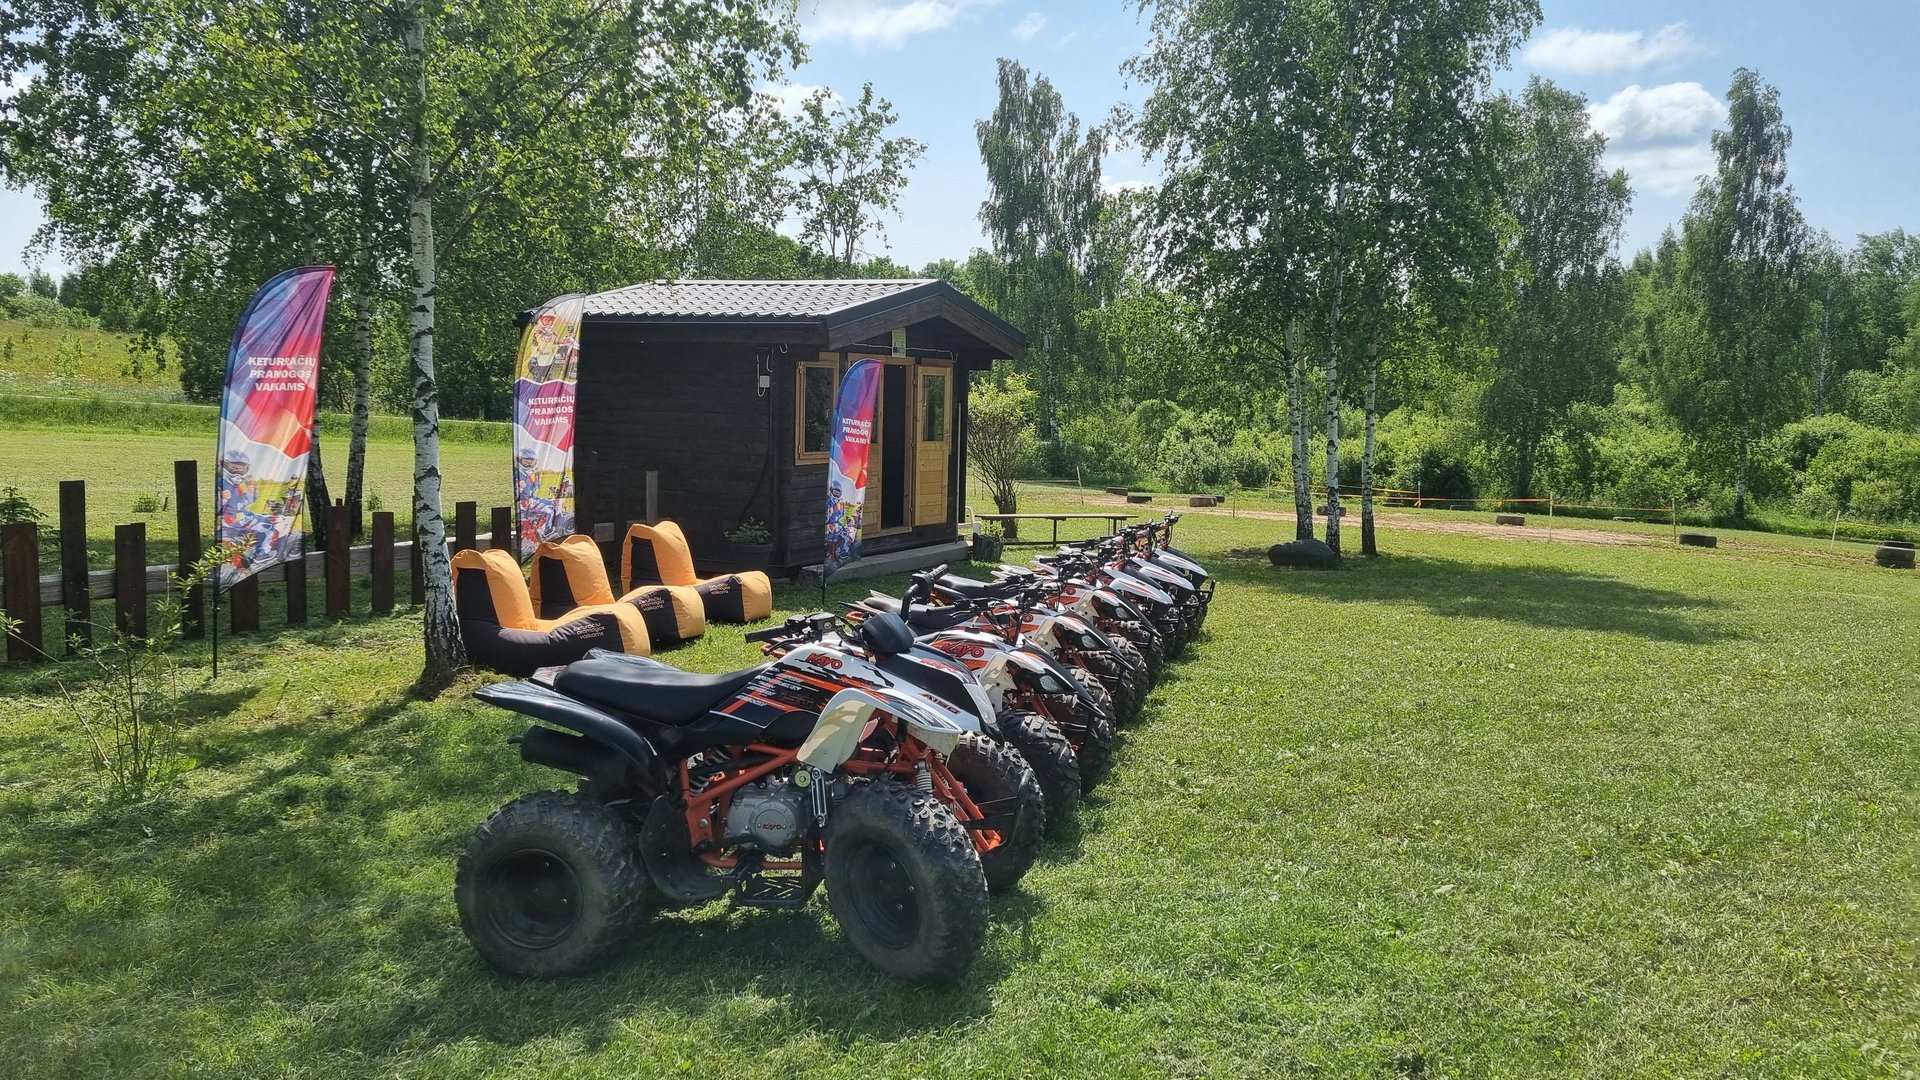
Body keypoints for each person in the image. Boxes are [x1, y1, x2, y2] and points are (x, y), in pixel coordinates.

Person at [217, 449, 279, 567]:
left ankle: (251, 551)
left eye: (241, 468)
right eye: (233, 467)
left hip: (241, 515)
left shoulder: (243, 484)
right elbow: (218, 509)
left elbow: (247, 502)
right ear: (224, 466)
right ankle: (261, 555)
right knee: (267, 527)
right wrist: (223, 499)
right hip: (230, 520)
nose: (237, 471)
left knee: (267, 520)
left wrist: (251, 494)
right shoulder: (221, 484)